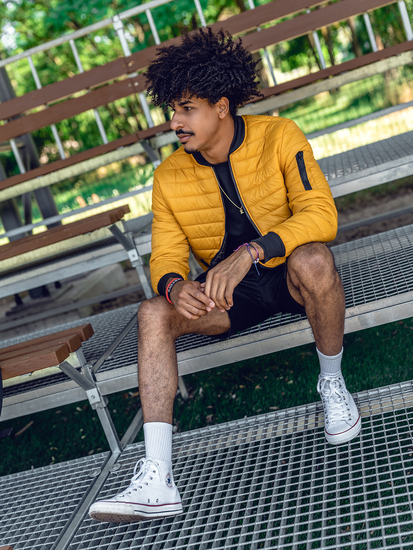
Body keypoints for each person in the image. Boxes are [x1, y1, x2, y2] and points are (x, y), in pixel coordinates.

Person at [89, 27, 361, 524]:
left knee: (314, 258)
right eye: (172, 110)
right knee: (152, 312)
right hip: (229, 297)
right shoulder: (168, 175)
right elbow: (165, 256)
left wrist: (252, 251)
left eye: (186, 109)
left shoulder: (279, 135)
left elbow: (322, 215)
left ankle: (332, 385)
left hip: (290, 277)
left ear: (221, 106)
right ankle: (157, 478)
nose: (175, 122)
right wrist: (175, 286)